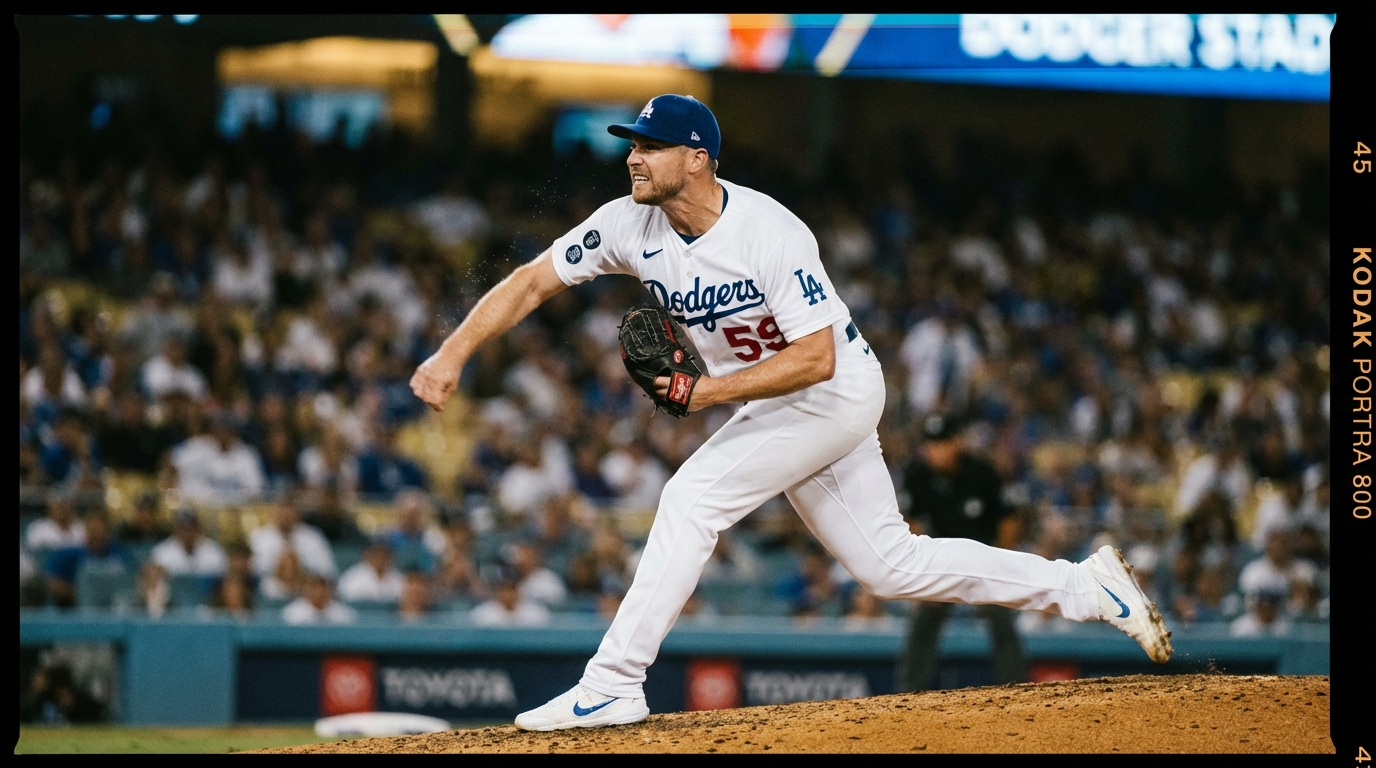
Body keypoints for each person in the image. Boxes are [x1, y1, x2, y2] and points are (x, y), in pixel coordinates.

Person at [409, 94, 1172, 732]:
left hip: (832, 392)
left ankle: (614, 683)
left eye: (651, 145)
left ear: (698, 157)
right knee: (890, 565)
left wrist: (703, 395)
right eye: (631, 145)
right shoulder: (626, 224)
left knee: (690, 499)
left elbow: (817, 359)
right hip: (781, 402)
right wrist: (451, 354)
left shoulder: (768, 231)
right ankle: (1086, 586)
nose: (633, 156)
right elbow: (531, 281)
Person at [898, 413, 1026, 691]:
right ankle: (908, 693)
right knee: (924, 618)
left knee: (1001, 615)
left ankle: (1017, 688)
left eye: (941, 443)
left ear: (957, 443)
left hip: (983, 563)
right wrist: (923, 570)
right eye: (931, 444)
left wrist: (1001, 563)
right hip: (941, 563)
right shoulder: (918, 475)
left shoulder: (982, 472)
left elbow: (1009, 519)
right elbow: (912, 523)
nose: (935, 450)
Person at [150, 508, 228, 578]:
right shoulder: (161, 553)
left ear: (198, 528)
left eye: (190, 528)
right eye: (183, 528)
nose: (187, 533)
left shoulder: (214, 551)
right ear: (175, 529)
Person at [282, 574, 358, 625]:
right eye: (315, 587)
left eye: (323, 587)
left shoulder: (343, 613)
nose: (319, 592)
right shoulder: (292, 612)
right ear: (307, 589)